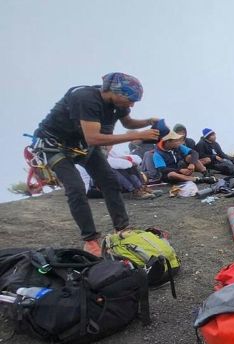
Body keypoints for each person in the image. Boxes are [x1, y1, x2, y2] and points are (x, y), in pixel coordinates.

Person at [32, 72, 161, 256]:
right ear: (114, 92)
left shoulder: (118, 102)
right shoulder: (85, 98)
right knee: (76, 187)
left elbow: (128, 122)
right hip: (53, 145)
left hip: (80, 145)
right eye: (130, 99)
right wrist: (139, 135)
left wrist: (148, 122)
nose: (131, 105)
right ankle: (90, 240)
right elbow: (93, 138)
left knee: (109, 180)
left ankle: (122, 229)